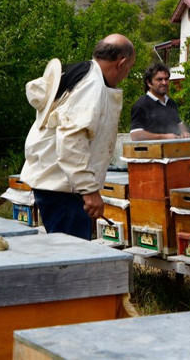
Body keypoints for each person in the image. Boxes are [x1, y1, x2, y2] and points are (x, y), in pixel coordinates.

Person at [20, 34, 136, 240]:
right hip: (63, 187)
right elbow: (71, 139)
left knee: (67, 250)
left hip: (60, 184)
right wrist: (89, 190)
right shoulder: (91, 85)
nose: (127, 73)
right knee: (72, 253)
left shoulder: (84, 73)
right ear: (122, 63)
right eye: (130, 67)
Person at [129, 62, 190, 140]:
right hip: (153, 148)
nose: (164, 83)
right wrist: (164, 137)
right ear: (149, 83)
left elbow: (180, 124)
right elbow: (135, 135)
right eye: (159, 79)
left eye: (166, 79)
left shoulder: (171, 103)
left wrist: (184, 132)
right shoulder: (141, 104)